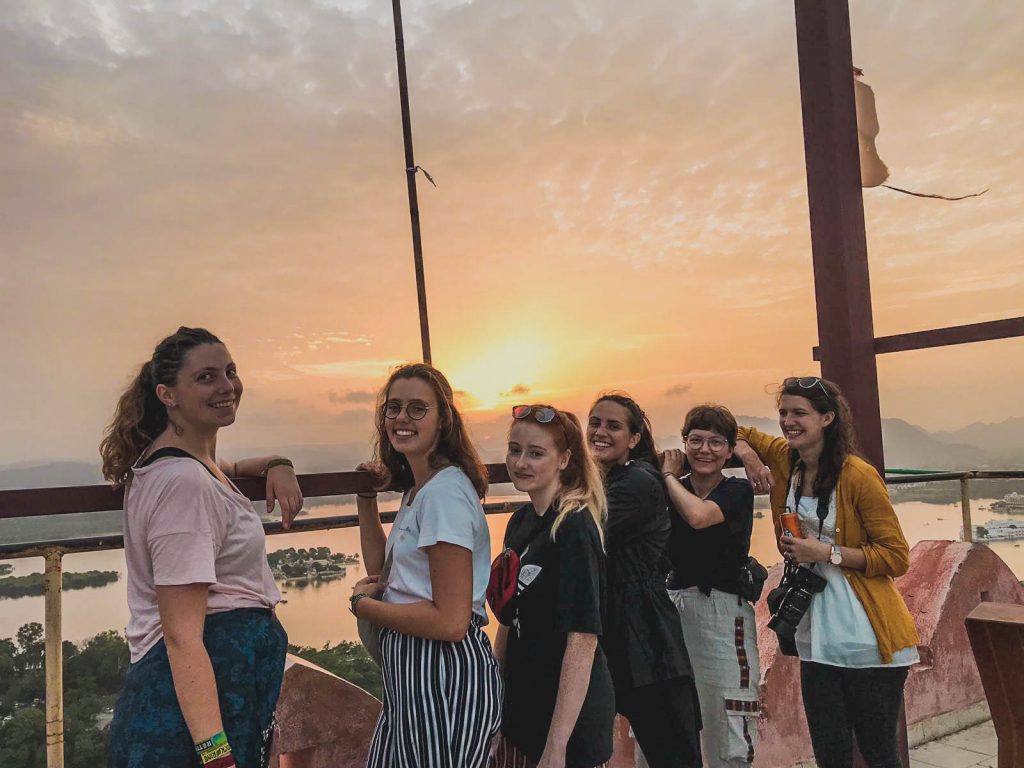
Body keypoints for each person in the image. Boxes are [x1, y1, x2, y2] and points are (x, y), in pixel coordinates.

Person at [102, 326, 303, 768]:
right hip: (190, 710)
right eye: (206, 377)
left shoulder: (187, 462)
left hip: (218, 690)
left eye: (229, 372)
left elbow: (225, 466)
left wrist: (277, 464)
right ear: (167, 394)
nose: (227, 386)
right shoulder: (184, 484)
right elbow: (182, 636)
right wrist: (216, 755)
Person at [733, 376, 920, 768]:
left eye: (799, 413)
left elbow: (896, 556)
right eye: (783, 413)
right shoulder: (787, 460)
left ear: (828, 418)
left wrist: (827, 552)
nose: (788, 421)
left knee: (879, 753)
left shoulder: (857, 475)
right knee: (830, 753)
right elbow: (729, 426)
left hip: (868, 638)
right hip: (816, 637)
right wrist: (749, 455)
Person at [350, 363, 502, 768]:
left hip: (441, 671)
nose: (402, 418)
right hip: (415, 670)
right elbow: (386, 570)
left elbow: (450, 621)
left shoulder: (444, 495)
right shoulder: (422, 489)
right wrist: (366, 500)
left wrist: (362, 607)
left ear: (443, 420)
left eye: (418, 409)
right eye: (393, 407)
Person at [493, 404, 615, 768]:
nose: (520, 462)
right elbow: (506, 619)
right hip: (523, 712)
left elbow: (582, 640)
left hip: (569, 726)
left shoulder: (574, 527)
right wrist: (496, 705)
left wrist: (557, 746)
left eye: (535, 453)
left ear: (564, 460)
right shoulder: (521, 522)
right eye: (515, 450)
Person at [587, 393, 702, 768]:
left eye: (613, 425)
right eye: (595, 423)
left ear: (634, 439)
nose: (601, 432)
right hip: (616, 631)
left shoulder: (638, 482)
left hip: (647, 639)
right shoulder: (599, 480)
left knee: (673, 754)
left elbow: (584, 532)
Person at [660, 405, 760, 767]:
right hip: (674, 606)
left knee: (728, 714)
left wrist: (668, 477)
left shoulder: (735, 491)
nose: (705, 450)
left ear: (730, 449)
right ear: (684, 442)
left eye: (717, 442)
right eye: (696, 440)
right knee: (668, 717)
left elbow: (699, 516)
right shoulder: (670, 489)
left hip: (723, 614)